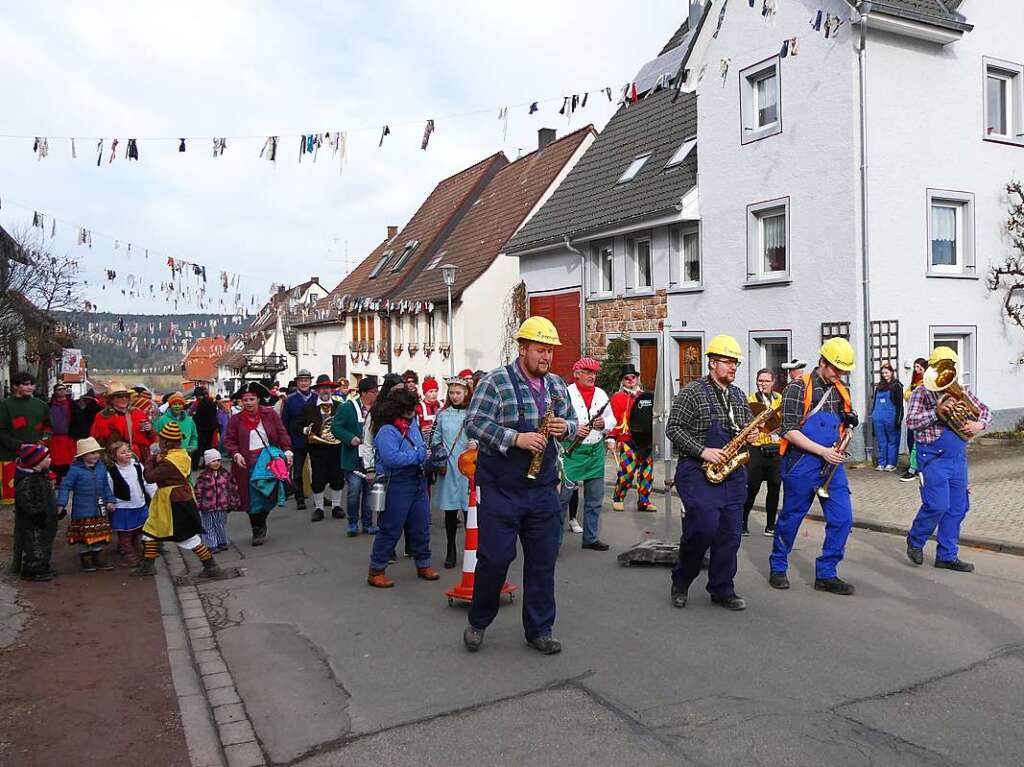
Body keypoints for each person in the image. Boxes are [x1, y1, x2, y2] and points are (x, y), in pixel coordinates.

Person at [462, 316, 576, 654]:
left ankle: (540, 629)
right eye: (540, 350)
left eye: (550, 352)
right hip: (501, 487)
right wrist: (516, 438)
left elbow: (573, 420)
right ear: (522, 348)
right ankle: (479, 620)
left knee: (543, 561)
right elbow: (474, 423)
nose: (547, 358)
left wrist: (565, 428)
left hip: (542, 488)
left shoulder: (556, 385)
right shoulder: (496, 382)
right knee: (495, 558)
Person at [666, 335, 755, 611]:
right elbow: (674, 428)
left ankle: (722, 588)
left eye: (735, 363)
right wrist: (703, 451)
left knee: (730, 534)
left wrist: (753, 434)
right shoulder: (692, 392)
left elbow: (746, 427)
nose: (733, 367)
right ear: (712, 362)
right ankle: (681, 580)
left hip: (732, 473)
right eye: (728, 362)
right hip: (697, 469)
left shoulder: (739, 395)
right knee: (703, 528)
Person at [769, 338, 860, 596]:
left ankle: (827, 573)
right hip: (802, 462)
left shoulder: (841, 390)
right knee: (791, 517)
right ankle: (778, 565)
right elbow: (788, 430)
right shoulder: (797, 389)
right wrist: (823, 452)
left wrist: (851, 421)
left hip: (832, 464)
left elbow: (844, 423)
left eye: (843, 371)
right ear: (822, 362)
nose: (839, 375)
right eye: (835, 370)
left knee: (843, 518)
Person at [905, 346, 990, 572]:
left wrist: (978, 424)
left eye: (950, 368)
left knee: (958, 508)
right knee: (937, 505)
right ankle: (915, 540)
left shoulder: (960, 391)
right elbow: (911, 422)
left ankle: (947, 555)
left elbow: (985, 410)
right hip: (932, 457)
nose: (947, 374)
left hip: (957, 459)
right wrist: (937, 412)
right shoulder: (921, 393)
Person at [132, 422, 224, 578]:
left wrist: (150, 460)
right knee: (151, 530)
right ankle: (148, 565)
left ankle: (211, 566)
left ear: (166, 442)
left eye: (161, 440)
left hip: (173, 501)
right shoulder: (180, 454)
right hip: (172, 498)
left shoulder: (169, 461)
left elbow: (150, 477)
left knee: (186, 536)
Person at [366, 388, 438, 588]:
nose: (413, 412)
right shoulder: (387, 430)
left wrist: (419, 453)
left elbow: (421, 445)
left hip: (417, 480)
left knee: (421, 525)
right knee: (391, 527)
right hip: (397, 483)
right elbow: (391, 458)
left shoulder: (411, 423)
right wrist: (418, 455)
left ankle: (423, 563)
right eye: (408, 408)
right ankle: (376, 569)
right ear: (397, 409)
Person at [224, 381, 293, 546]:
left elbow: (281, 433)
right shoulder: (236, 419)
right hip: (246, 463)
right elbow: (229, 440)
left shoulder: (270, 415)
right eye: (245, 400)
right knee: (252, 499)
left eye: (252, 399)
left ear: (258, 399)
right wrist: (236, 454)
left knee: (268, 495)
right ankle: (257, 528)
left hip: (268, 461)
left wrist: (287, 450)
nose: (248, 403)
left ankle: (262, 519)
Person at [559, 357, 614, 551]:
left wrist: (603, 425)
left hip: (595, 452)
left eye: (594, 372)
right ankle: (553, 544)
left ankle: (590, 538)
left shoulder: (600, 394)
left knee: (594, 499)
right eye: (588, 372)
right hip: (571, 453)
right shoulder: (566, 394)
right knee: (562, 500)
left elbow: (612, 419)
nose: (593, 376)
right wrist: (573, 429)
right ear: (576, 374)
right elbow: (558, 421)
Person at [430, 372, 473, 569]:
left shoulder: (473, 414)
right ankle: (450, 549)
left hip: (468, 467)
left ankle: (472, 549)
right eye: (451, 392)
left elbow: (482, 434)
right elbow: (435, 437)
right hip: (449, 468)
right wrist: (439, 453)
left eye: (458, 392)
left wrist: (477, 443)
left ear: (466, 393)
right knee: (450, 512)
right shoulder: (442, 414)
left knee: (469, 512)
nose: (454, 396)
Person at [57, 437, 117, 572]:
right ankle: (86, 559)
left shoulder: (101, 468)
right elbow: (65, 487)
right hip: (82, 509)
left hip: (99, 507)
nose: (96, 456)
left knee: (98, 533)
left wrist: (110, 500)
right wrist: (61, 504)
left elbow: (105, 486)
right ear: (83, 456)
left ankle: (98, 557)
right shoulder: (75, 470)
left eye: (97, 453)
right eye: (91, 453)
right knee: (84, 535)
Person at [332, 376, 380, 537]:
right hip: (352, 458)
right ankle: (352, 522)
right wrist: (349, 438)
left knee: (368, 492)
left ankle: (367, 523)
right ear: (364, 393)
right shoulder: (347, 407)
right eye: (374, 392)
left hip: (370, 458)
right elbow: (335, 428)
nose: (377, 394)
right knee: (354, 490)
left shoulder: (378, 409)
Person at [608, 365, 655, 513]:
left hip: (646, 440)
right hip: (627, 439)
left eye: (632, 377)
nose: (630, 380)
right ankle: (618, 498)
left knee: (647, 473)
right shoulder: (617, 397)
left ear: (637, 379)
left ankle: (644, 501)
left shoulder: (645, 396)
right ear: (622, 381)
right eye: (626, 378)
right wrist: (611, 437)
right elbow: (613, 419)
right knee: (627, 472)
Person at [300, 374, 346, 522]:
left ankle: (336, 507)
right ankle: (319, 508)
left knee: (337, 476)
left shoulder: (340, 407)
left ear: (332, 390)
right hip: (318, 448)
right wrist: (306, 430)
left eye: (328, 388)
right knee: (318, 477)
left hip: (336, 448)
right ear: (317, 390)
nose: (325, 391)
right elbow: (296, 425)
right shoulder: (308, 407)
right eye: (322, 388)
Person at [743, 368, 783, 537]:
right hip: (757, 449)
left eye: (766, 381)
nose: (763, 384)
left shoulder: (779, 399)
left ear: (772, 382)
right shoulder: (750, 400)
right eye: (760, 381)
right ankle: (742, 522)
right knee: (752, 487)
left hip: (775, 449)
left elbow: (783, 420)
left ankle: (770, 525)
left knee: (774, 488)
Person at [0, 372, 51, 495]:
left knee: (35, 494)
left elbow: (48, 427)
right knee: (11, 496)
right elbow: (1, 431)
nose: (30, 387)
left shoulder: (41, 405)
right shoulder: (4, 405)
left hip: (36, 456)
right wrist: (19, 445)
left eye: (32, 384)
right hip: (10, 456)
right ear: (15, 386)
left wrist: (43, 440)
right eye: (26, 384)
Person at [13, 443, 58, 581]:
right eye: (47, 457)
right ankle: (32, 569)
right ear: (37, 461)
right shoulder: (28, 480)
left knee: (45, 543)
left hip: (44, 520)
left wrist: (55, 513)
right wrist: (36, 513)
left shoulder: (41, 477)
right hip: (32, 524)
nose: (50, 459)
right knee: (34, 545)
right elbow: (27, 498)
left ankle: (43, 565)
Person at [106, 441, 154, 567]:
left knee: (139, 529)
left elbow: (146, 482)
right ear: (114, 456)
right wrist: (109, 501)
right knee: (125, 532)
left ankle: (134, 548)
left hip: (140, 504)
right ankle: (128, 554)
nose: (127, 454)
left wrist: (154, 495)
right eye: (123, 452)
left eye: (128, 451)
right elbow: (108, 489)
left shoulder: (137, 466)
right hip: (123, 507)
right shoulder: (112, 472)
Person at [90, 381, 154, 460]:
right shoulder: (103, 416)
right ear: (111, 400)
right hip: (114, 457)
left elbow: (149, 437)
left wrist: (149, 430)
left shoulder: (137, 413)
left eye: (126, 396)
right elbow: (98, 441)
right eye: (120, 397)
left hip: (138, 456)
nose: (124, 399)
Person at [194, 448, 240, 552]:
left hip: (222, 505)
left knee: (220, 524)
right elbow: (198, 491)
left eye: (218, 460)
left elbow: (232, 489)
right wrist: (198, 504)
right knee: (209, 525)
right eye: (213, 461)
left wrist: (234, 501)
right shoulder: (203, 477)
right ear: (208, 462)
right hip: (207, 506)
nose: (216, 463)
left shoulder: (225, 475)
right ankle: (211, 544)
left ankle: (222, 541)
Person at [281, 369, 315, 510]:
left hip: (315, 440)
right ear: (297, 382)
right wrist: (286, 442)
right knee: (298, 471)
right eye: (301, 380)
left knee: (318, 470)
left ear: (310, 382)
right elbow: (284, 422)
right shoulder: (290, 400)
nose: (304, 383)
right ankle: (299, 498)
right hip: (297, 440)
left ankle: (318, 496)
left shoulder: (316, 398)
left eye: (306, 380)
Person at [870, 363, 904, 472]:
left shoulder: (897, 385)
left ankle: (891, 463)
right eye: (883, 373)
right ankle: (881, 463)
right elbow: (875, 402)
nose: (885, 375)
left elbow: (899, 405)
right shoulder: (879, 387)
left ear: (891, 372)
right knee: (881, 442)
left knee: (892, 441)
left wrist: (898, 419)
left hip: (891, 418)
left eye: (886, 372)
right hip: (878, 418)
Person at [899, 357, 928, 481]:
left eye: (919, 367)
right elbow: (906, 394)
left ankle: (914, 468)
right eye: (915, 367)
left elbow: (911, 395)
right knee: (910, 442)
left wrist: (911, 394)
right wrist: (911, 394)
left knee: (917, 444)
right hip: (911, 417)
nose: (916, 370)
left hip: (921, 418)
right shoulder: (914, 382)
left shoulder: (926, 381)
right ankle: (915, 466)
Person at [154, 392, 199, 460]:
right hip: (167, 457)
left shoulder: (189, 421)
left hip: (185, 456)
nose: (177, 406)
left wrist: (192, 447)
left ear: (183, 405)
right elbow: (157, 437)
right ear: (170, 406)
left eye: (180, 404)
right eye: (174, 404)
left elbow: (194, 437)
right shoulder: (162, 420)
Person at [48, 384, 76, 480]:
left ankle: (69, 479)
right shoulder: (50, 405)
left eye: (64, 389)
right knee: (55, 460)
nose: (62, 391)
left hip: (69, 436)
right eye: (59, 389)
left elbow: (78, 420)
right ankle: (57, 479)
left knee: (69, 459)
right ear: (55, 392)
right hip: (54, 437)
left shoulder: (72, 405)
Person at [192, 386, 219, 460]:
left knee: (201, 446)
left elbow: (197, 417)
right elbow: (214, 415)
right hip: (211, 428)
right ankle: (207, 461)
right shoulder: (212, 403)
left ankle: (200, 461)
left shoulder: (199, 404)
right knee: (208, 445)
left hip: (201, 429)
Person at [417, 377, 441, 442]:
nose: (434, 394)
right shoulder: (419, 407)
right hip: (424, 441)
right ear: (425, 393)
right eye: (431, 391)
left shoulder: (441, 405)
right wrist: (421, 430)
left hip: (440, 442)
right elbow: (416, 426)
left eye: (436, 391)